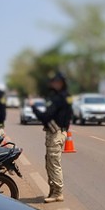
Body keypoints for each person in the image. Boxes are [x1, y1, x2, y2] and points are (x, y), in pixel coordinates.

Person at [32, 71, 72, 203]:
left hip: (56, 133)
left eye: (54, 81)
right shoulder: (65, 96)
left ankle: (57, 193)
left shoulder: (59, 97)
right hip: (58, 132)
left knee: (53, 163)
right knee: (49, 162)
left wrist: (34, 108)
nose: (51, 84)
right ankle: (53, 191)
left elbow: (46, 116)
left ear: (60, 83)